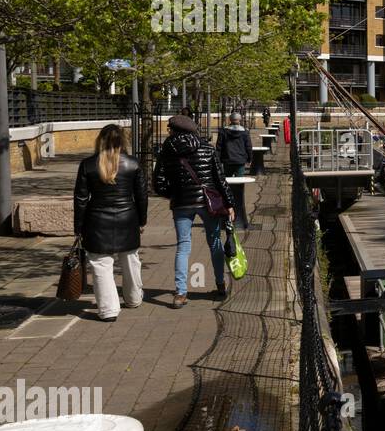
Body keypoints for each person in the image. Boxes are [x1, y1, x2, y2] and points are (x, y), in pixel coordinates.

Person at [153, 114, 235, 308]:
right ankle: (220, 284)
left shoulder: (167, 150)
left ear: (174, 130)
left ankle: (180, 293)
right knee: (214, 242)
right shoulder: (207, 147)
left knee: (183, 246)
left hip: (181, 203)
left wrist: (173, 193)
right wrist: (229, 202)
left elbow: (158, 182)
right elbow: (219, 178)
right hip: (208, 203)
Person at [73, 124, 147, 322]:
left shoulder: (88, 164)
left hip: (97, 220)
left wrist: (78, 227)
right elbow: (141, 196)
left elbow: (80, 199)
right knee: (130, 260)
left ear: (100, 140)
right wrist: (142, 220)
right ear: (123, 141)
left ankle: (108, 309)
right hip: (127, 218)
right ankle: (133, 298)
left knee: (100, 265)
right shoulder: (133, 163)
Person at [217, 113, 254, 231]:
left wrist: (218, 160)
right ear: (240, 120)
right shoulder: (245, 132)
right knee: (239, 186)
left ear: (230, 120)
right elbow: (248, 146)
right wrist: (249, 158)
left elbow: (219, 147)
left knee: (225, 186)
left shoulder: (223, 132)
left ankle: (227, 210)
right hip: (240, 161)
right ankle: (238, 210)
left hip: (227, 160)